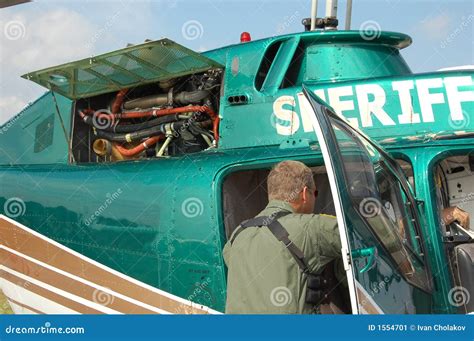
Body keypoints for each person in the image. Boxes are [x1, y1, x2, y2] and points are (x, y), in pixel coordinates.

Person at [223, 160, 346, 314]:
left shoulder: (237, 235)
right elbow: (363, 234)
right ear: (304, 194)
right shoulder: (313, 227)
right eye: (315, 193)